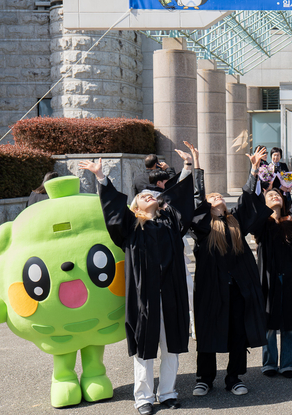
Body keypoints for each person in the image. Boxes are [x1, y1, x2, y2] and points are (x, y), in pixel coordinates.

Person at [80, 147, 195, 415]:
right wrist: (101, 178)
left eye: (152, 194)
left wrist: (188, 167)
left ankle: (168, 393)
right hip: (144, 297)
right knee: (145, 347)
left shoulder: (171, 223)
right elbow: (113, 210)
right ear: (135, 207)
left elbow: (182, 202)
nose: (148, 195)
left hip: (170, 294)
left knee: (171, 347)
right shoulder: (131, 228)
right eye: (142, 196)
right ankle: (143, 398)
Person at [189, 146, 274, 398]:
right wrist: (196, 163)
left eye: (220, 196)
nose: (217, 197)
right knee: (207, 332)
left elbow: (248, 199)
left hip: (238, 288)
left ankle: (234, 378)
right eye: (213, 197)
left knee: (238, 332)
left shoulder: (235, 221)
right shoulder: (203, 227)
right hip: (211, 289)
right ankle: (204, 379)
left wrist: (254, 170)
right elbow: (197, 199)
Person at [255, 151, 292, 379]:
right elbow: (253, 203)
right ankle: (269, 362)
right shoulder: (261, 224)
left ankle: (288, 363)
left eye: (277, 194)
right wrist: (258, 176)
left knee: (289, 322)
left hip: (289, 276)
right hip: (268, 276)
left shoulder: (291, 222)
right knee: (269, 321)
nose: (275, 196)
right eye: (270, 195)